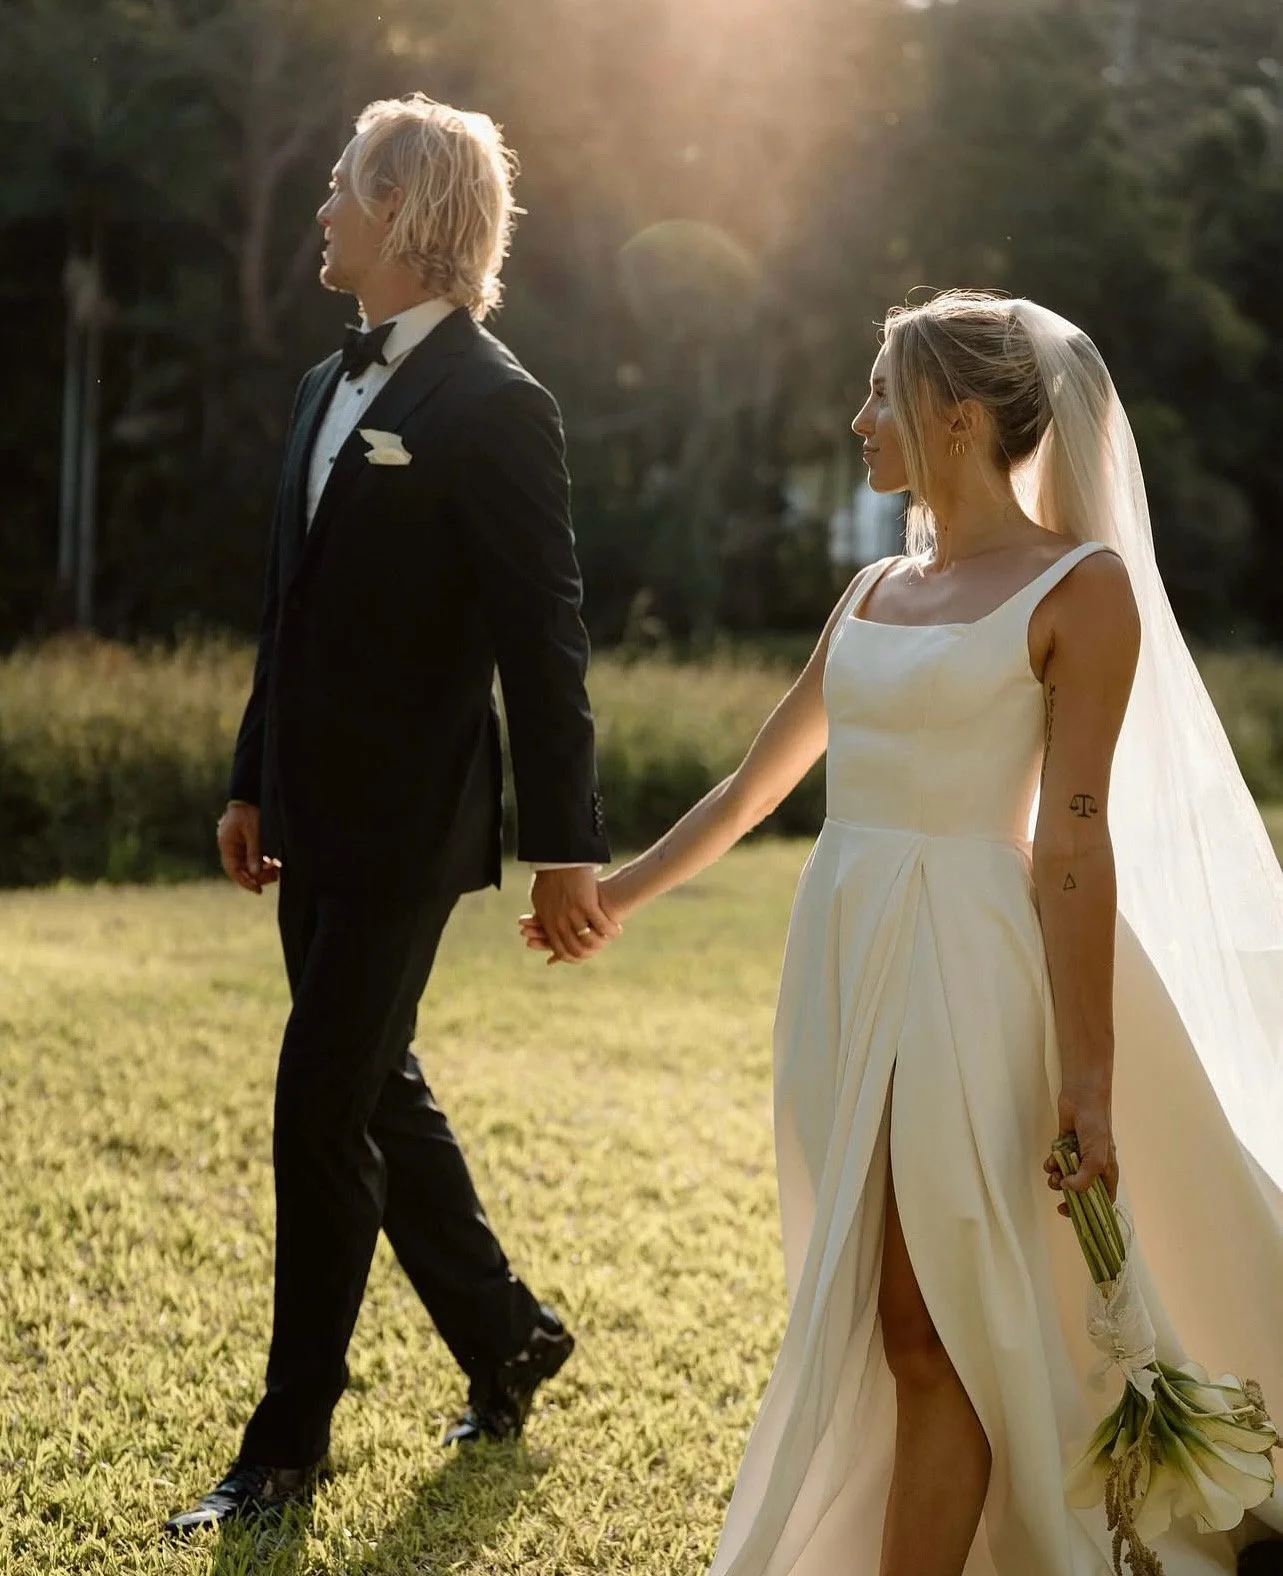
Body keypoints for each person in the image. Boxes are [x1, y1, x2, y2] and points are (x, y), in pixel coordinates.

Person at [522, 291, 1283, 1574]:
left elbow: (1073, 842)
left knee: (927, 1321)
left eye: (878, 394)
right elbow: (755, 785)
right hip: (843, 959)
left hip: (970, 977)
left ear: (957, 416)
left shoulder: (1080, 589)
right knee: (890, 1314)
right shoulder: (874, 586)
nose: (856, 419)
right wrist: (621, 892)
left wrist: (1086, 1073)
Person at [165, 93, 617, 1536]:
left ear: (409, 217)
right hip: (306, 808)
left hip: (411, 827)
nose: (321, 214)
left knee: (319, 1104)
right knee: (373, 1087)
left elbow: (543, 644)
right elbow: (286, 615)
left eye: (343, 191)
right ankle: (507, 1334)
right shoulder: (318, 386)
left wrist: (565, 851)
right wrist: (249, 774)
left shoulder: (498, 403)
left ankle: (284, 1447)